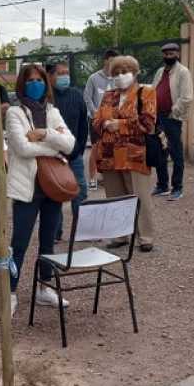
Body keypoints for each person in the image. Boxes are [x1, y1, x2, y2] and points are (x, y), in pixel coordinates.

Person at [6, 63, 75, 316]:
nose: (35, 84)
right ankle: (10, 292)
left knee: (48, 242)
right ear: (22, 84)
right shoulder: (14, 112)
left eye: (39, 80)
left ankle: (45, 288)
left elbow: (70, 144)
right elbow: (22, 148)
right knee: (19, 243)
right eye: (30, 80)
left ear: (46, 84)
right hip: (27, 188)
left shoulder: (53, 112)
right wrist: (53, 147)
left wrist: (44, 133)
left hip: (52, 186)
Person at [93, 55, 157, 252]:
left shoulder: (146, 92)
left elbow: (148, 122)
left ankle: (145, 237)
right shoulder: (108, 95)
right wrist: (104, 123)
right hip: (109, 155)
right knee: (115, 197)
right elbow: (96, 120)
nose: (120, 76)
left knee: (140, 196)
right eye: (116, 73)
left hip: (134, 155)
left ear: (135, 73)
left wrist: (119, 125)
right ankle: (120, 235)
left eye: (125, 72)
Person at [49, 62, 89, 241]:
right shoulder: (47, 97)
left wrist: (79, 148)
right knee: (55, 193)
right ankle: (55, 232)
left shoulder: (77, 95)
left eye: (66, 73)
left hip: (74, 154)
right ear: (50, 76)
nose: (65, 76)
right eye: (60, 73)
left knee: (80, 190)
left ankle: (82, 229)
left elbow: (83, 124)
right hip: (53, 155)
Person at [151, 43, 194, 201]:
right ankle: (162, 185)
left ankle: (177, 188)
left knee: (176, 152)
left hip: (171, 117)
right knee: (159, 151)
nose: (168, 56)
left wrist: (173, 111)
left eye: (172, 53)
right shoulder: (160, 72)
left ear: (177, 54)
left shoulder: (183, 72)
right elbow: (153, 90)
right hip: (157, 116)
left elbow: (187, 97)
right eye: (166, 54)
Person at [83, 49, 119, 192]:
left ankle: (106, 178)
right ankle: (92, 179)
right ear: (105, 61)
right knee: (95, 149)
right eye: (112, 61)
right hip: (96, 121)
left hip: (112, 121)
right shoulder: (93, 78)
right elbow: (87, 97)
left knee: (111, 149)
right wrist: (96, 115)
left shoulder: (118, 79)